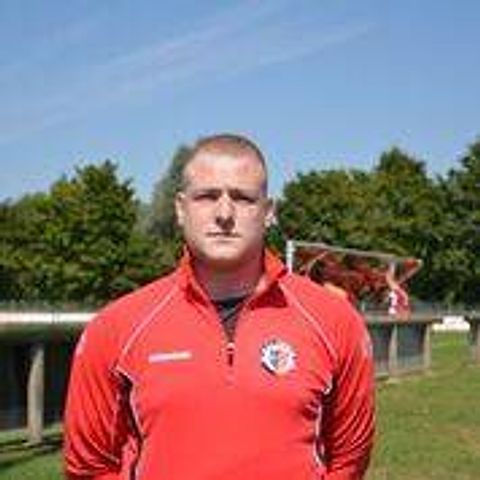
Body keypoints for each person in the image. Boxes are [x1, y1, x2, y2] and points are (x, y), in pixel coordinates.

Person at [63, 133, 375, 480]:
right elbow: (88, 467)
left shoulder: (334, 321)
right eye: (207, 196)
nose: (224, 213)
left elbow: (348, 460)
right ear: (180, 209)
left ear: (268, 212)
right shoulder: (117, 327)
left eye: (242, 198)